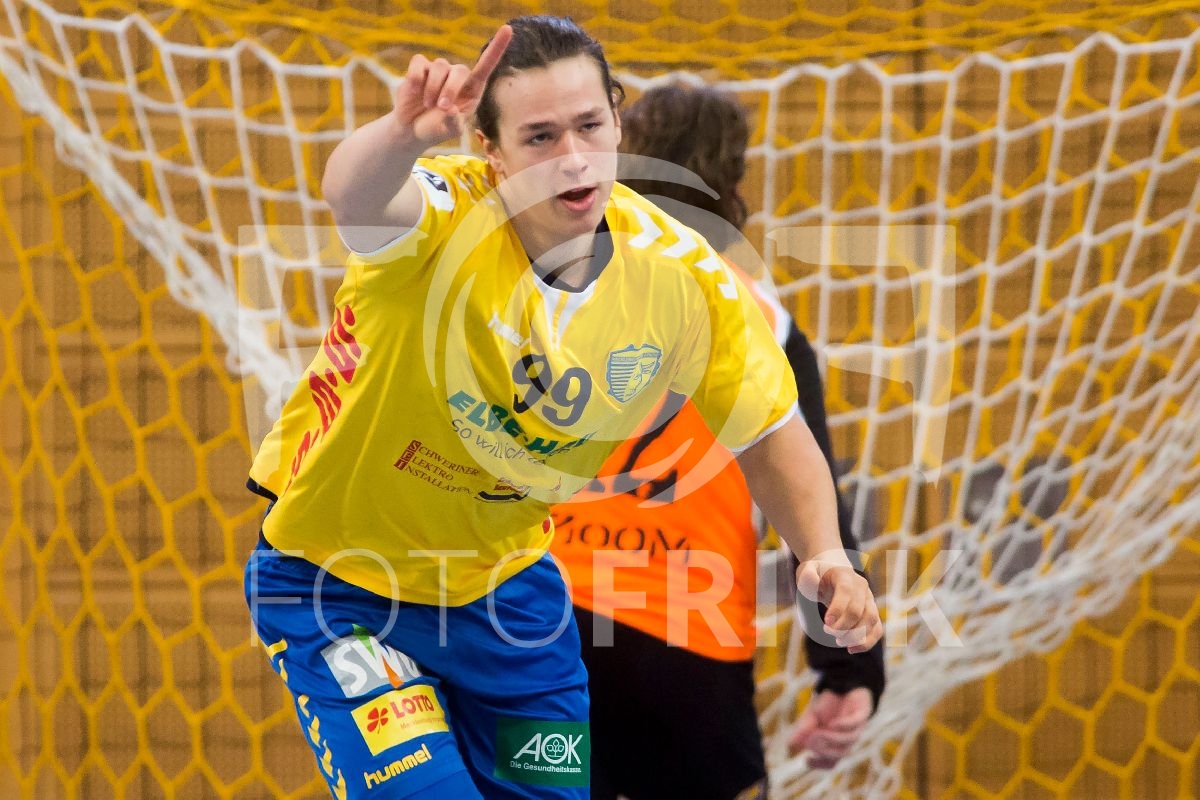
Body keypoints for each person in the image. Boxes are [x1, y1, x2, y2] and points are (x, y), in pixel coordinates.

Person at [243, 17, 882, 800]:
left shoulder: (681, 273)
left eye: (588, 126)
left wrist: (824, 552)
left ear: (618, 119)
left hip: (508, 602)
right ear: (491, 148)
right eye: (540, 137)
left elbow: (772, 431)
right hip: (343, 586)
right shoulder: (444, 217)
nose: (573, 157)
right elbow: (356, 196)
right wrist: (401, 137)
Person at [549, 83, 886, 800]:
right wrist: (848, 670)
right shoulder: (759, 317)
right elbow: (809, 503)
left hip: (544, 626)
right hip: (689, 643)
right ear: (733, 183)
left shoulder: (548, 282)